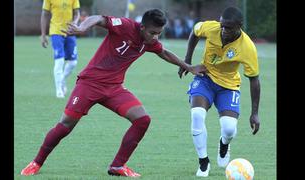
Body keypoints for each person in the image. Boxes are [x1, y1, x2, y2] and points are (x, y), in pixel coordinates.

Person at [21, 9, 206, 177]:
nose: (155, 37)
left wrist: (187, 66)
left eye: (159, 33)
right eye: (152, 33)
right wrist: (82, 27)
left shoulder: (149, 42)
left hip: (114, 88)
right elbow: (98, 18)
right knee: (66, 125)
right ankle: (36, 162)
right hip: (90, 84)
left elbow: (164, 53)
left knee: (142, 119)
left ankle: (117, 166)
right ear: (142, 27)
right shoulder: (125, 26)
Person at [178, 6, 261, 177]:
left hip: (229, 85)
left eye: (228, 27)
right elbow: (195, 32)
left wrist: (254, 113)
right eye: (222, 25)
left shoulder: (247, 47)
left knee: (229, 129)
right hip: (205, 78)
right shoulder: (212, 28)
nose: (223, 30)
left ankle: (224, 143)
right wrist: (187, 60)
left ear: (239, 26)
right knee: (197, 115)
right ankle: (203, 162)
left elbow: (254, 80)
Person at [40, 0, 80, 98]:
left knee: (73, 63)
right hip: (56, 31)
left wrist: (74, 23)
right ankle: (59, 91)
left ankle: (61, 80)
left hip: (70, 31)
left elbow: (77, 13)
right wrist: (43, 35)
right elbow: (44, 14)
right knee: (59, 61)